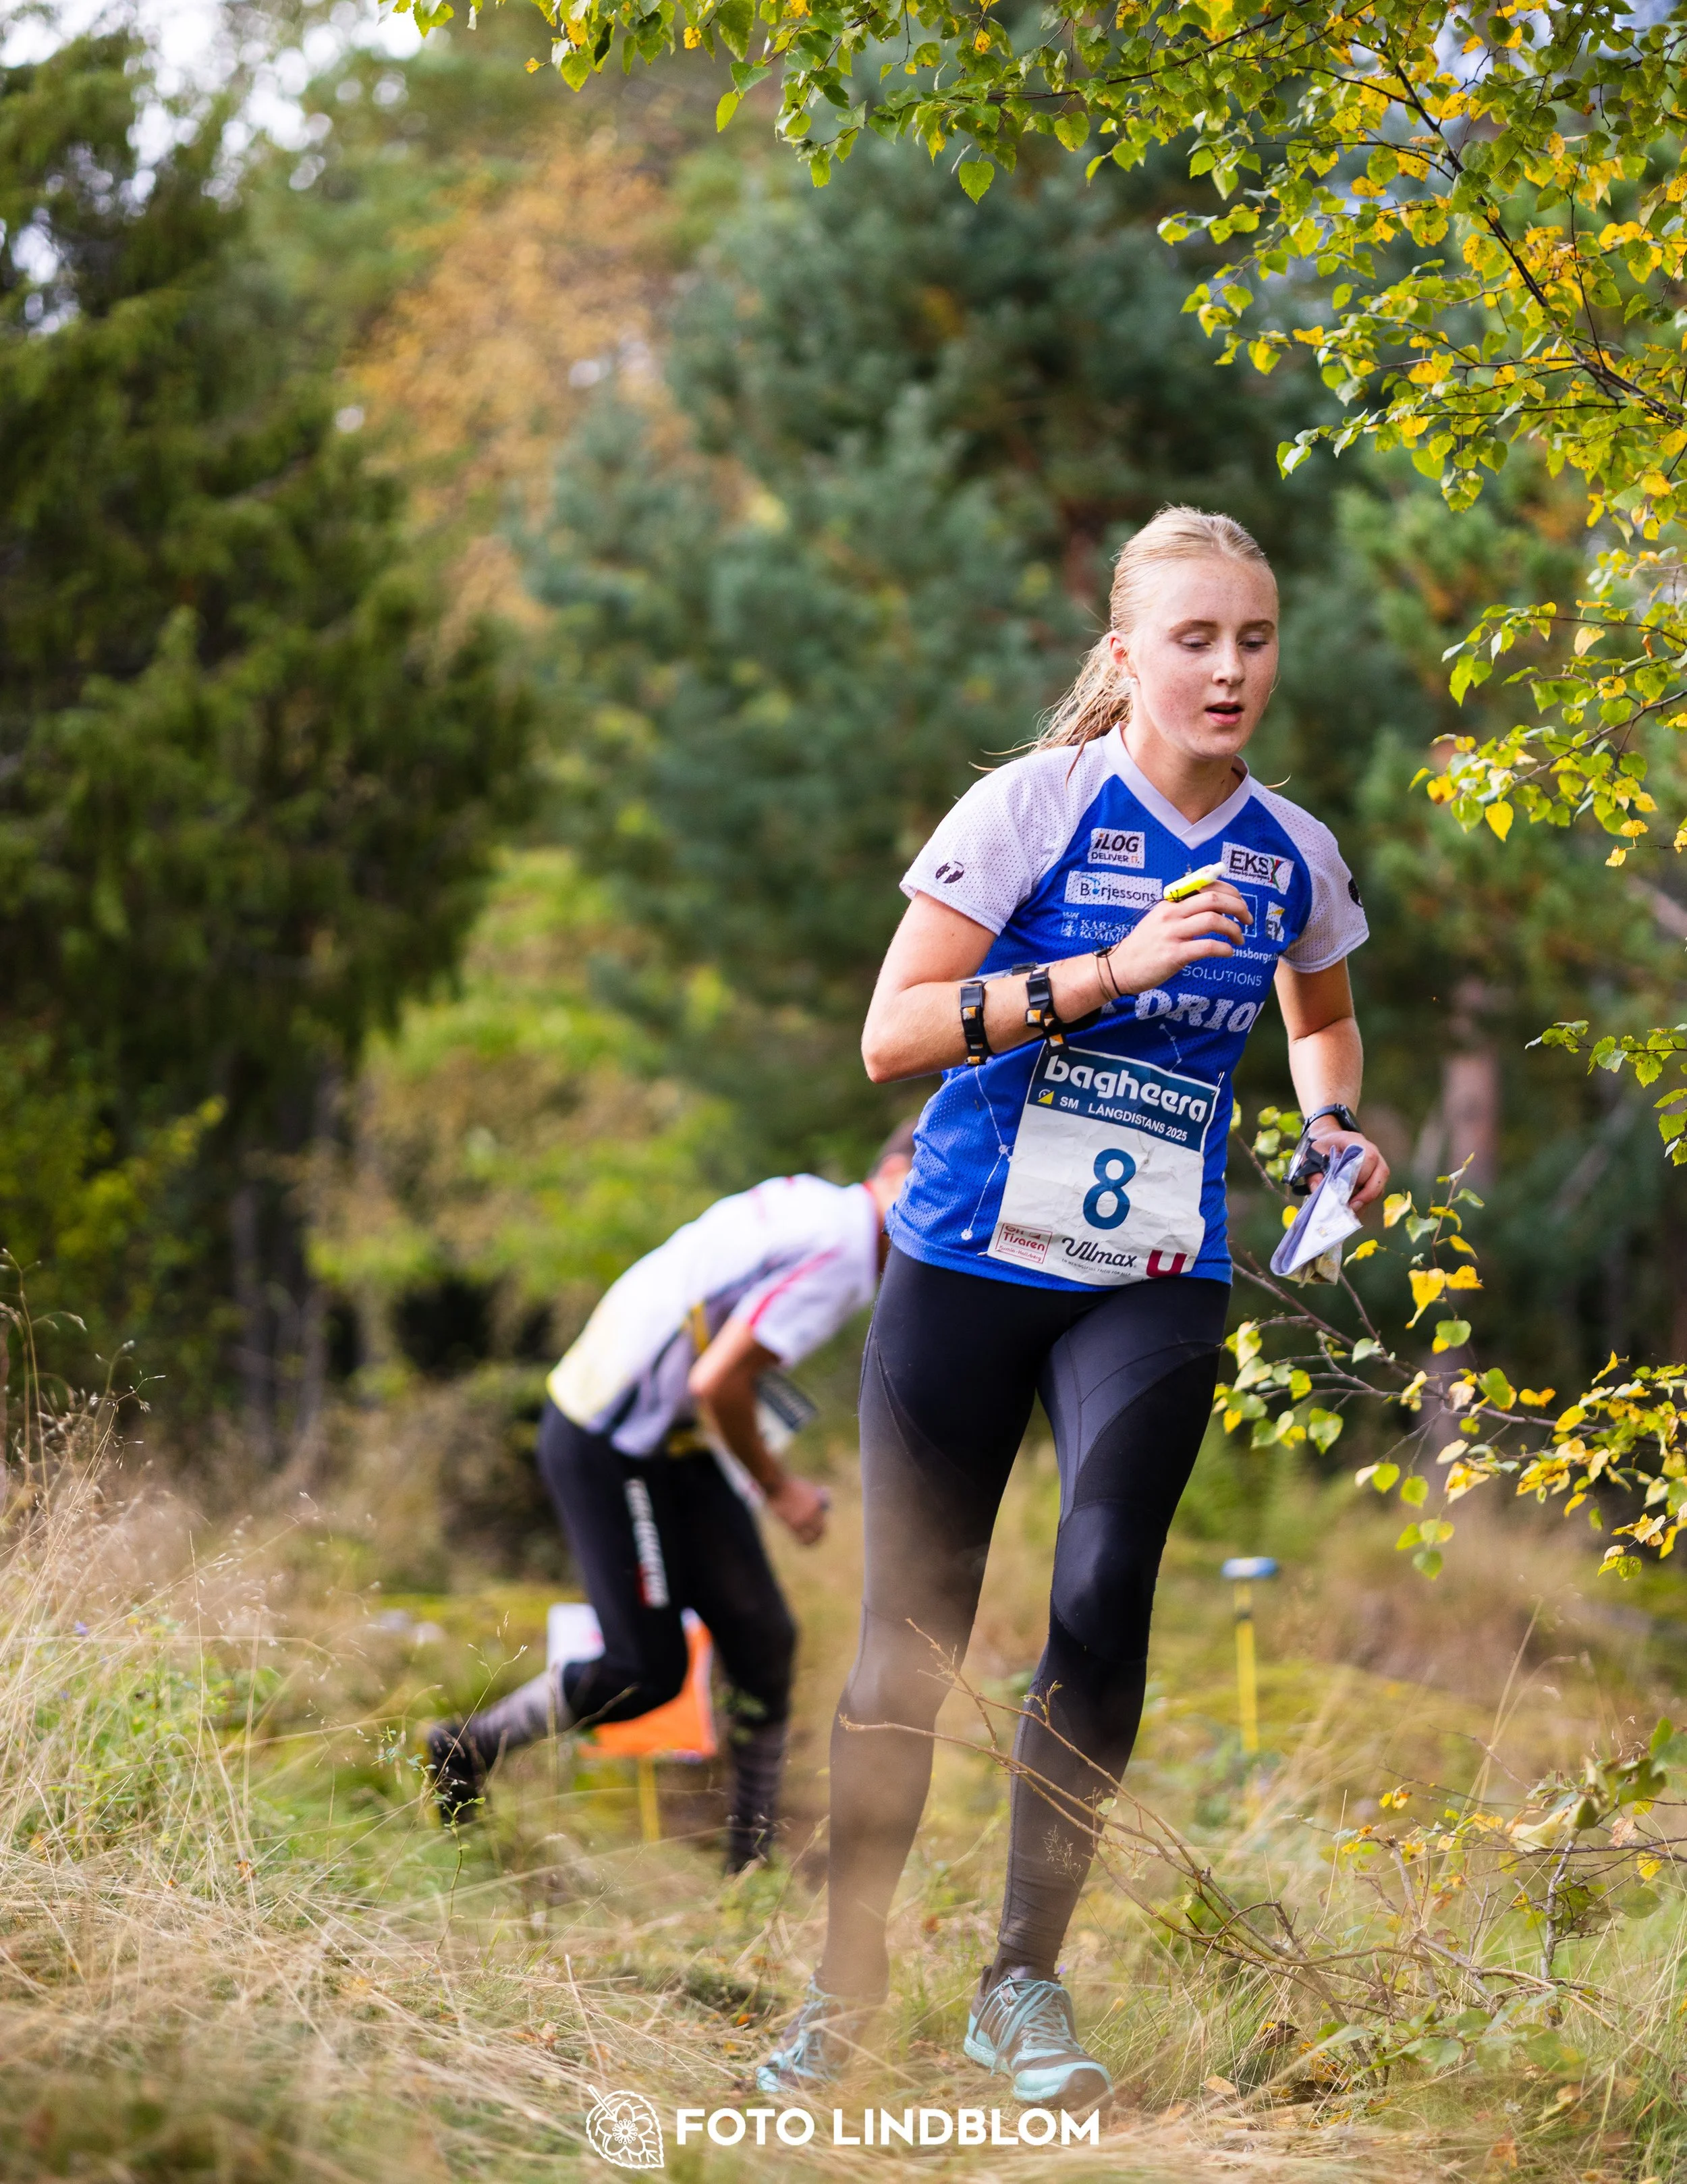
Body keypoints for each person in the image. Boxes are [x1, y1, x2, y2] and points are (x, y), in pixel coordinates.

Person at [756, 506, 1389, 2110]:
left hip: (1148, 1275)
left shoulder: (1289, 851)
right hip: (968, 1263)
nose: (1230, 668)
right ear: (1126, 657)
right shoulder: (1031, 807)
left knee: (1103, 1599)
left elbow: (1324, 1013)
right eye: (1195, 639)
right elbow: (890, 1038)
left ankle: (1020, 1984)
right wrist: (1100, 973)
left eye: (1253, 638)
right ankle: (842, 1992)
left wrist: (1330, 1126)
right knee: (908, 1647)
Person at [424, 1125, 915, 1873]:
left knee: (762, 1639)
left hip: (667, 1441)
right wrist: (781, 1490)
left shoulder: (818, 1205)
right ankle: (466, 1747)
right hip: (608, 1439)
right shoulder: (849, 1249)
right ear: (899, 1169)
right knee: (641, 1670)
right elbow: (717, 1380)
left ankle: (748, 1869)